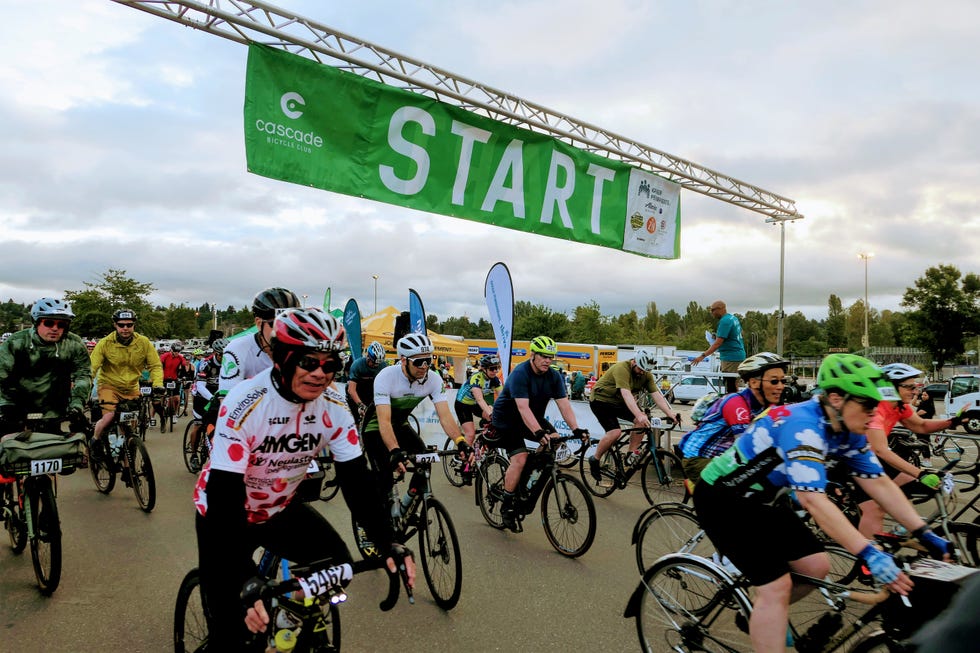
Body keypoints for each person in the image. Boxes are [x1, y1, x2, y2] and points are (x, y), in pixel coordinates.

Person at [692, 354, 953, 653]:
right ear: (835, 398)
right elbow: (813, 500)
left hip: (764, 502)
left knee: (817, 566)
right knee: (775, 587)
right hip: (722, 499)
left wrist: (924, 533)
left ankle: (754, 612)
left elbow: (878, 483)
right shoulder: (802, 426)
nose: (874, 413)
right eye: (868, 405)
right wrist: (869, 553)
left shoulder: (850, 430)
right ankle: (766, 609)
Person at [193, 307, 414, 650]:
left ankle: (293, 614)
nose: (320, 374)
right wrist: (242, 575)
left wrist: (387, 542)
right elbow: (225, 495)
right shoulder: (246, 403)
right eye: (309, 362)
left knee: (337, 563)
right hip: (223, 514)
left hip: (278, 510)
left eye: (330, 364)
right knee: (233, 632)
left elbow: (357, 481)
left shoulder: (334, 406)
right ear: (283, 358)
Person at [854, 362, 970, 538]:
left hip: (872, 458)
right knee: (874, 508)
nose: (915, 391)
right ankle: (869, 558)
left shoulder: (900, 405)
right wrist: (921, 473)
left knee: (907, 482)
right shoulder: (876, 409)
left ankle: (901, 529)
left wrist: (952, 422)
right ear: (889, 387)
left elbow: (921, 425)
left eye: (915, 386)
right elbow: (881, 451)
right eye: (908, 387)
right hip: (854, 458)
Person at [361, 333, 473, 509]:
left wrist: (460, 442)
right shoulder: (386, 376)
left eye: (428, 360)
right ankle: (368, 525)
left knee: (425, 462)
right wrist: (395, 450)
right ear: (404, 360)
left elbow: (445, 416)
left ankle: (405, 504)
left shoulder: (433, 379)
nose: (425, 367)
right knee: (384, 477)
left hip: (400, 425)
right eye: (419, 362)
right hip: (375, 428)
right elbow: (384, 421)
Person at [490, 336, 587, 532]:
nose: (548, 361)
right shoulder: (520, 374)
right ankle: (507, 505)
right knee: (520, 457)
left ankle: (527, 478)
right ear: (533, 355)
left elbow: (564, 405)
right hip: (507, 420)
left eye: (551, 357)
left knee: (556, 440)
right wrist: (539, 432)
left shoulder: (554, 376)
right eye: (543, 356)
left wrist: (576, 429)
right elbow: (522, 408)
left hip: (532, 417)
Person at [678, 352, 788, 483]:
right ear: (753, 382)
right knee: (747, 484)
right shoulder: (736, 403)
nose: (781, 386)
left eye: (783, 381)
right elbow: (744, 448)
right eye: (774, 381)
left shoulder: (766, 406)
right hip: (697, 459)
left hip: (724, 457)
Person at [586, 348, 680, 484]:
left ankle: (630, 454)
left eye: (645, 371)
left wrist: (670, 414)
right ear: (634, 362)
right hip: (601, 401)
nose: (642, 372)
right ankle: (595, 458)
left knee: (642, 422)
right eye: (640, 369)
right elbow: (626, 394)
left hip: (619, 402)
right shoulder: (621, 368)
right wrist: (638, 414)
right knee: (615, 432)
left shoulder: (646, 374)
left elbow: (657, 396)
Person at [0, 298, 92, 436]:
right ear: (36, 322)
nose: (55, 328)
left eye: (61, 324)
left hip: (54, 411)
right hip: (15, 407)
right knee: (9, 451)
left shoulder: (74, 343)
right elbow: (2, 375)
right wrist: (5, 405)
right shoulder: (15, 343)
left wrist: (77, 406)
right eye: (49, 323)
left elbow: (83, 375)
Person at [89, 308, 163, 453]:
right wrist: (85, 386)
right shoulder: (105, 343)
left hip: (131, 387)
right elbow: (92, 368)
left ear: (134, 325)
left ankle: (127, 465)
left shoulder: (144, 342)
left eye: (129, 325)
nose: (125, 328)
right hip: (108, 386)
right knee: (109, 416)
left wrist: (158, 384)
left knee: (129, 425)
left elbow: (155, 366)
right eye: (121, 325)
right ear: (115, 325)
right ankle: (95, 440)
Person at [218, 287, 301, 395]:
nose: (283, 330)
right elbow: (227, 401)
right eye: (275, 324)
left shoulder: (303, 347)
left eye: (291, 324)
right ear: (259, 323)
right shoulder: (238, 348)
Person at [454, 354, 502, 481]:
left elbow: (503, 397)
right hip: (463, 405)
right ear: (484, 369)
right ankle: (465, 464)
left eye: (497, 368)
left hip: (475, 405)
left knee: (492, 420)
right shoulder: (476, 377)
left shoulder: (495, 380)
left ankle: (479, 445)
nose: (495, 371)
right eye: (492, 368)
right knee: (470, 434)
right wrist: (492, 414)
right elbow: (480, 400)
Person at [186, 337, 229, 471]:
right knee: (198, 425)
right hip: (203, 396)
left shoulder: (231, 362)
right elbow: (200, 386)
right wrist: (213, 399)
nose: (224, 357)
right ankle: (193, 455)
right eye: (222, 355)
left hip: (220, 395)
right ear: (216, 353)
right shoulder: (206, 363)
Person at [691, 300, 746, 393]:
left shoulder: (725, 321)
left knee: (730, 387)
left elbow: (717, 344)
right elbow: (735, 335)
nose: (711, 313)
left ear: (721, 309)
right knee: (733, 385)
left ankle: (733, 405)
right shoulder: (733, 318)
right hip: (737, 355)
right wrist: (717, 336)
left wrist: (702, 356)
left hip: (731, 358)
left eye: (713, 310)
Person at [345, 340, 388, 419]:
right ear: (368, 356)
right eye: (373, 363)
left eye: (378, 363)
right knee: (356, 419)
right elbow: (351, 390)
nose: (376, 365)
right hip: (356, 392)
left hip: (369, 392)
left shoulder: (383, 365)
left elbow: (385, 386)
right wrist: (361, 405)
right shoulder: (357, 365)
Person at [159, 341, 193, 423]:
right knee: (162, 396)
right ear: (171, 350)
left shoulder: (180, 357)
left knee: (177, 399)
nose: (177, 353)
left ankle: (174, 414)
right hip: (164, 378)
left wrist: (184, 376)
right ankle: (162, 411)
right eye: (175, 351)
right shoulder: (165, 356)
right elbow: (159, 364)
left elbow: (185, 365)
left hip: (174, 379)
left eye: (178, 352)